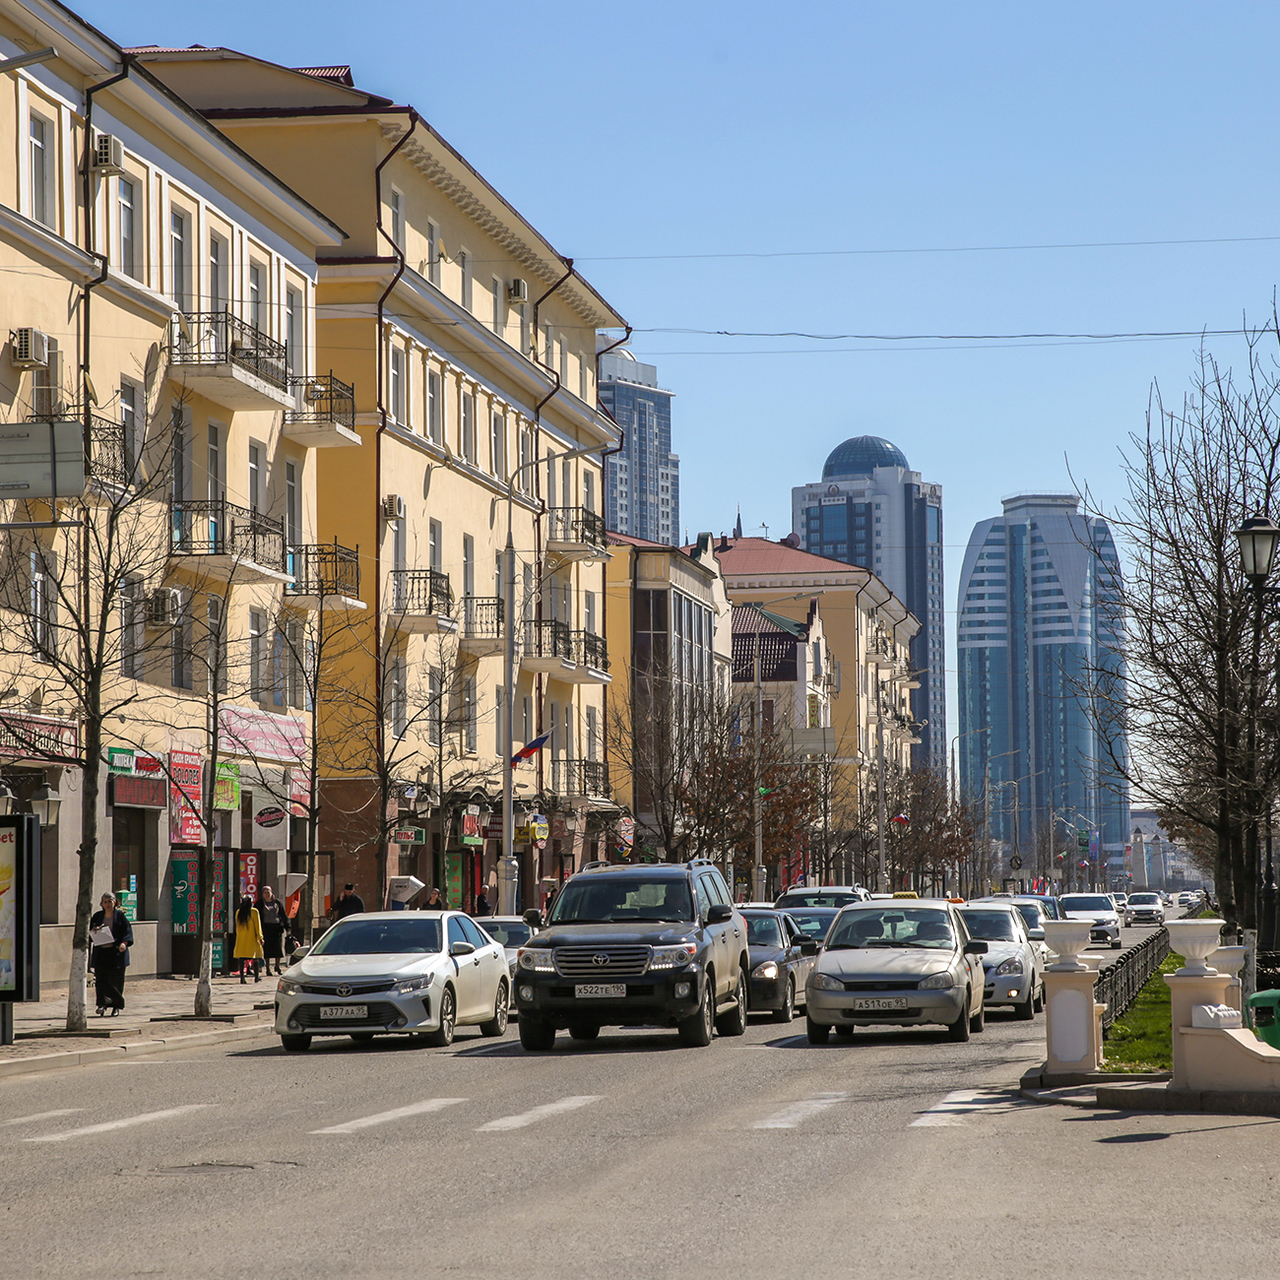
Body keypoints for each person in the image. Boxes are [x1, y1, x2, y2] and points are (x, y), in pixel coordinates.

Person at [89, 892, 133, 1016]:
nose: (108, 904)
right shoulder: (97, 916)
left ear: (115, 903)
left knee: (116, 980)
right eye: (105, 902)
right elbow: (90, 932)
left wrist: (124, 943)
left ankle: (116, 1006)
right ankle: (102, 1005)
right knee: (101, 980)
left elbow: (127, 932)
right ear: (102, 904)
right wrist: (94, 931)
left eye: (110, 901)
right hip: (101, 952)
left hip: (116, 953)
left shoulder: (120, 916)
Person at [256, 885, 289, 977]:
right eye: (265, 892)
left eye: (268, 892)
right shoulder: (259, 904)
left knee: (277, 948)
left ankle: (277, 966)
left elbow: (283, 914)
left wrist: (287, 926)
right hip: (265, 929)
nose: (267, 894)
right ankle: (267, 968)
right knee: (267, 949)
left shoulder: (277, 903)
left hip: (276, 928)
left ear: (271, 893)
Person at [233, 894, 264, 983]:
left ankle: (242, 978)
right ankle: (256, 977)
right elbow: (258, 926)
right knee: (256, 957)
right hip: (252, 939)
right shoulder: (254, 912)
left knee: (242, 959)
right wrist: (260, 937)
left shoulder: (238, 912)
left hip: (242, 938)